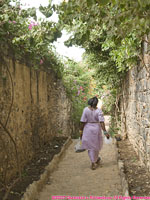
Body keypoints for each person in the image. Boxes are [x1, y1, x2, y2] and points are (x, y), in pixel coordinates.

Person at [79, 96, 109, 170]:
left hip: (87, 129)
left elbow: (82, 122)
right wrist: (105, 132)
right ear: (96, 104)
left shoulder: (85, 110)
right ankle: (94, 161)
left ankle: (94, 160)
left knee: (90, 147)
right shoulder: (99, 111)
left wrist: (81, 132)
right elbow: (102, 122)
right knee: (95, 146)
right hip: (96, 129)